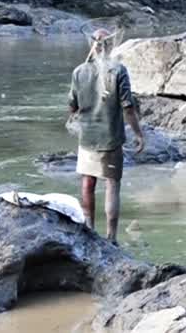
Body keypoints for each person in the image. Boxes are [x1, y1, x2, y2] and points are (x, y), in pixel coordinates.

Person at [68, 28, 145, 244]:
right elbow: (128, 107)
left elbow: (72, 106)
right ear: (109, 46)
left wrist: (76, 116)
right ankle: (111, 237)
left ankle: (90, 230)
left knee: (87, 182)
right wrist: (138, 134)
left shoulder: (78, 72)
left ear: (92, 45)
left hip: (87, 137)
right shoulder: (119, 71)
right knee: (112, 184)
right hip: (111, 138)